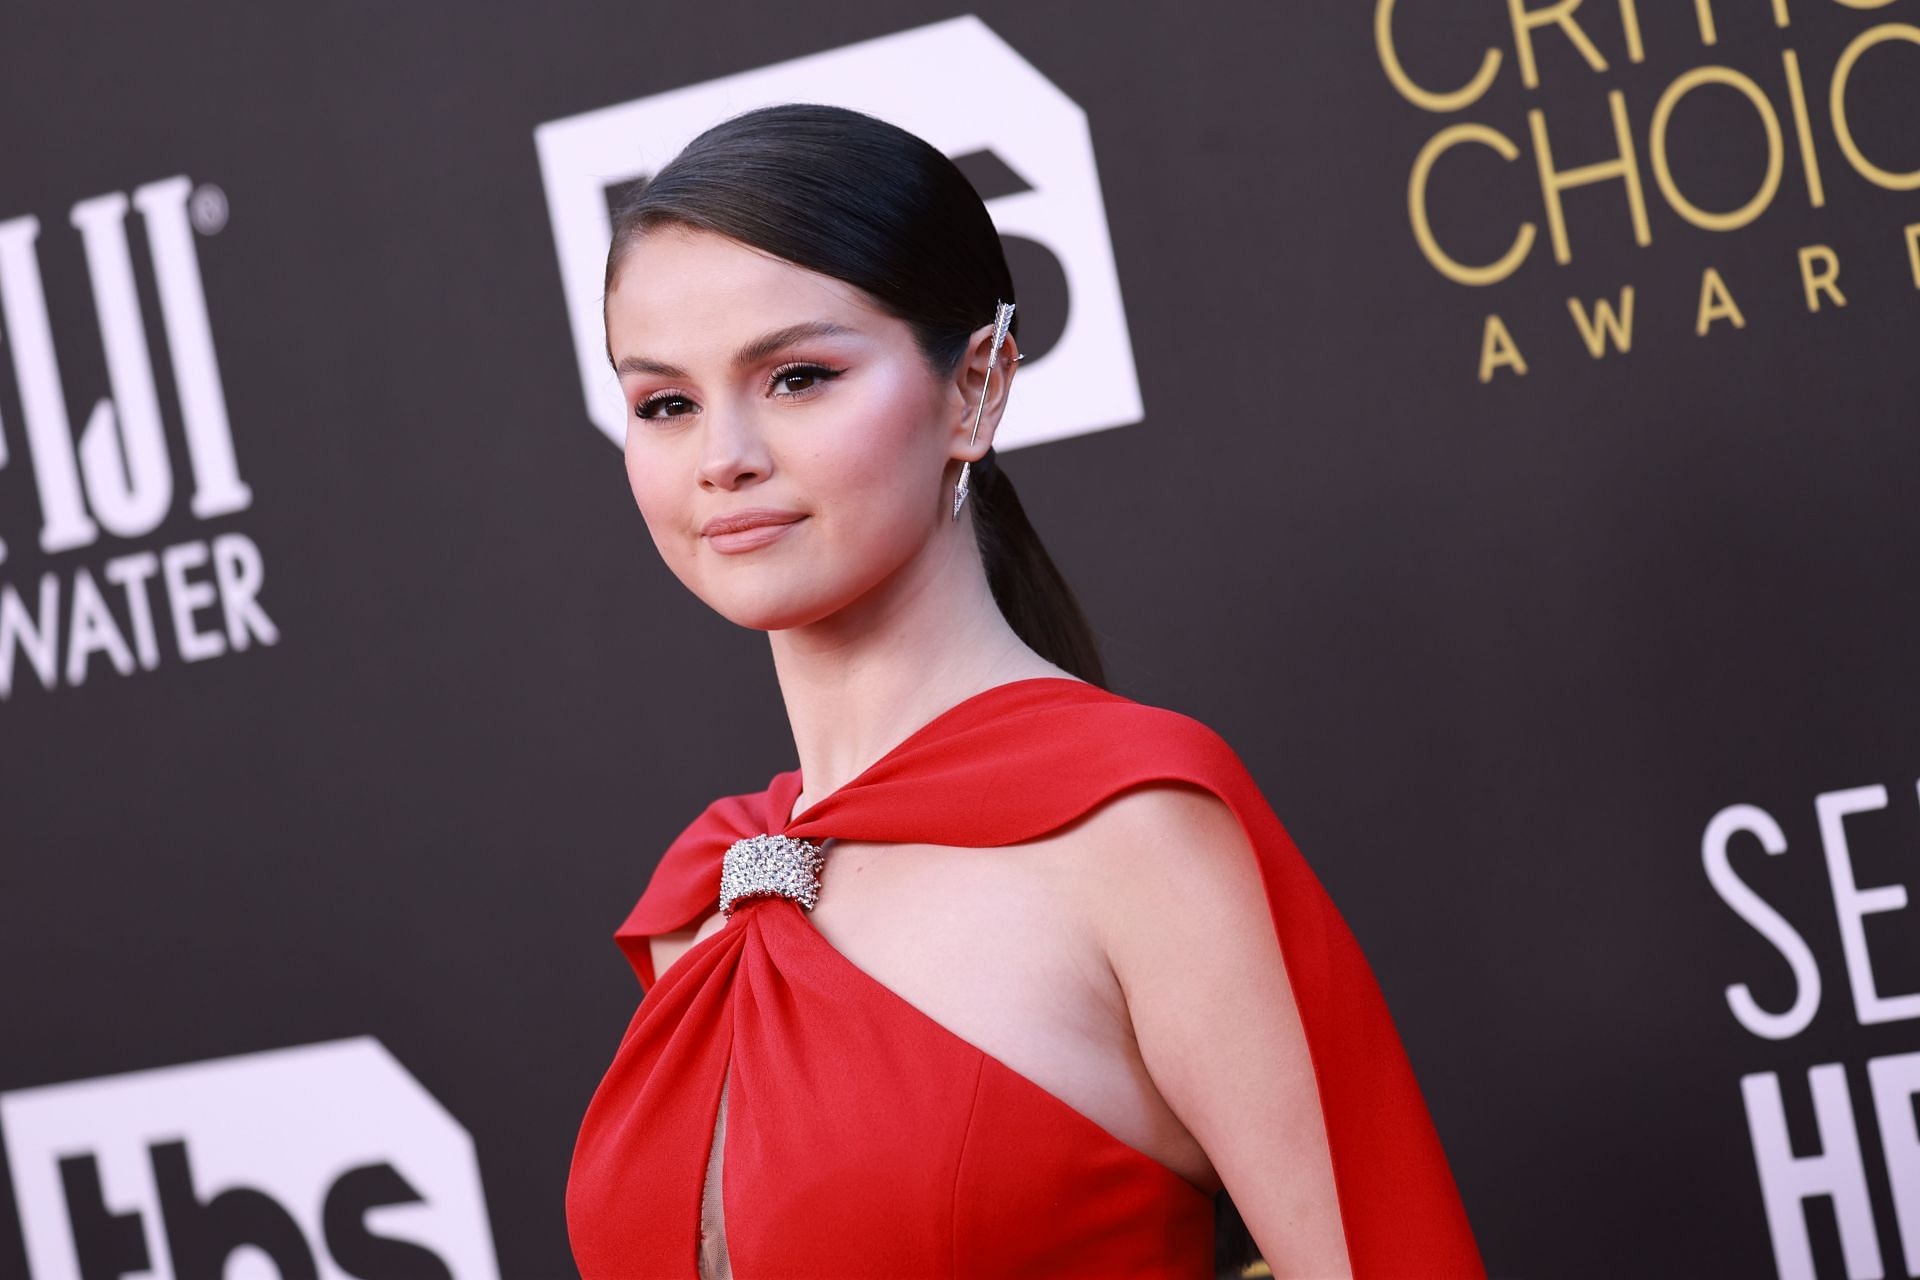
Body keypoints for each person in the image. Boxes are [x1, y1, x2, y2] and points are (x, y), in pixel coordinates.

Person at [566, 102, 1483, 1279]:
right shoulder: (708, 894)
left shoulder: (1138, 831)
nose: (722, 455)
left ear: (977, 389)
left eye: (797, 376)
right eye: (664, 403)